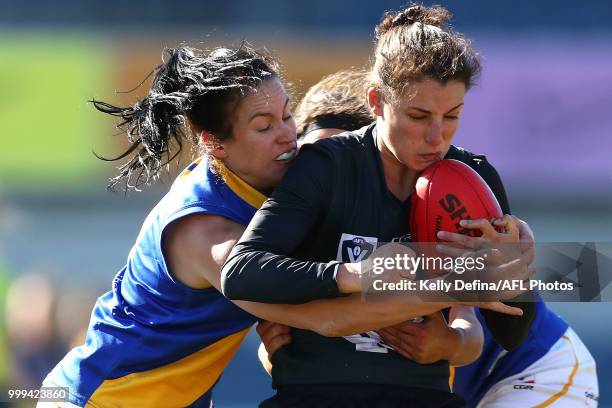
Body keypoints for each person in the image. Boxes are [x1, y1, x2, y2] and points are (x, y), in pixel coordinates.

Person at [40, 44, 518, 408]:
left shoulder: (277, 191)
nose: (289, 133)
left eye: (288, 114)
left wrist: (518, 255)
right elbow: (328, 319)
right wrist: (454, 282)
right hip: (101, 397)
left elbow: (566, 279)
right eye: (264, 126)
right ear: (214, 143)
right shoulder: (208, 232)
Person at [221, 5, 536, 407]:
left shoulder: (473, 175)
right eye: (419, 115)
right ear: (376, 100)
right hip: (315, 395)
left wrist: (513, 273)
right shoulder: (327, 164)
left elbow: (512, 332)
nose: (436, 137)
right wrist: (354, 274)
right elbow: (243, 272)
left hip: (425, 396)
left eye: (452, 116)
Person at [259, 68, 599, 407]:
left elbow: (471, 335)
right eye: (318, 156)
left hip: (531, 368)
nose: (329, 170)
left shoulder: (423, 207)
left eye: (340, 153)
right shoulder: (293, 212)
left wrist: (448, 344)